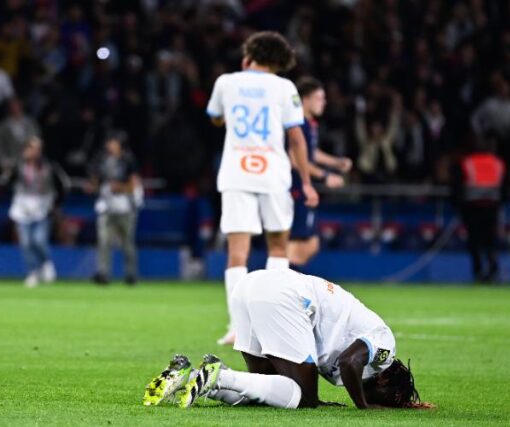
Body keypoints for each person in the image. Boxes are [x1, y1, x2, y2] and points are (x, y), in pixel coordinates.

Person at [143, 268, 432, 410]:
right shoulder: (386, 347)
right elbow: (349, 361)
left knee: (268, 394)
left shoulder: (370, 367)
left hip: (252, 287)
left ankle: (190, 376)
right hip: (285, 296)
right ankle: (220, 375)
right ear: (384, 380)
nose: (385, 403)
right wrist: (364, 406)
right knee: (305, 399)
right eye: (389, 399)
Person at [205, 31, 318, 345]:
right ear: (279, 63)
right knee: (278, 248)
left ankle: (237, 327)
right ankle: (274, 325)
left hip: (236, 173)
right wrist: (306, 182)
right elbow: (296, 137)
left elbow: (215, 118)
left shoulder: (226, 82)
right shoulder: (285, 88)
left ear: (248, 56)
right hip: (273, 174)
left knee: (236, 254)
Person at [288, 77, 352, 266]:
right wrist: (325, 176)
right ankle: (281, 284)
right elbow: (294, 159)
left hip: (302, 188)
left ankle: (283, 282)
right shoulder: (297, 124)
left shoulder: (310, 124)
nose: (323, 102)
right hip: (295, 189)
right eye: (319, 98)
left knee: (309, 244)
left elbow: (310, 154)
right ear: (305, 100)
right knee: (298, 244)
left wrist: (335, 162)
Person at [8, 136, 69, 288]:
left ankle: (46, 263)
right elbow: (8, 182)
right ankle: (32, 273)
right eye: (30, 148)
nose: (33, 151)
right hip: (23, 207)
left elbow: (64, 185)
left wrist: (56, 204)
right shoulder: (19, 165)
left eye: (36, 148)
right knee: (26, 242)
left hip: (43, 207)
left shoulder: (49, 166)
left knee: (39, 240)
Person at [87, 131, 142, 286]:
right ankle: (103, 273)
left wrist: (120, 187)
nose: (108, 145)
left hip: (125, 207)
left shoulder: (128, 160)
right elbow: (96, 180)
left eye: (112, 142)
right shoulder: (101, 159)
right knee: (103, 241)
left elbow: (133, 184)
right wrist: (93, 186)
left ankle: (131, 274)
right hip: (107, 206)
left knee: (128, 243)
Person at [452, 134, 505, 282]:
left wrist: (457, 205)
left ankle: (478, 271)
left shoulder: (468, 162)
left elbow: (458, 186)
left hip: (472, 208)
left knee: (474, 242)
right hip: (492, 207)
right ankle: (493, 268)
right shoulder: (497, 163)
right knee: (490, 240)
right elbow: (503, 187)